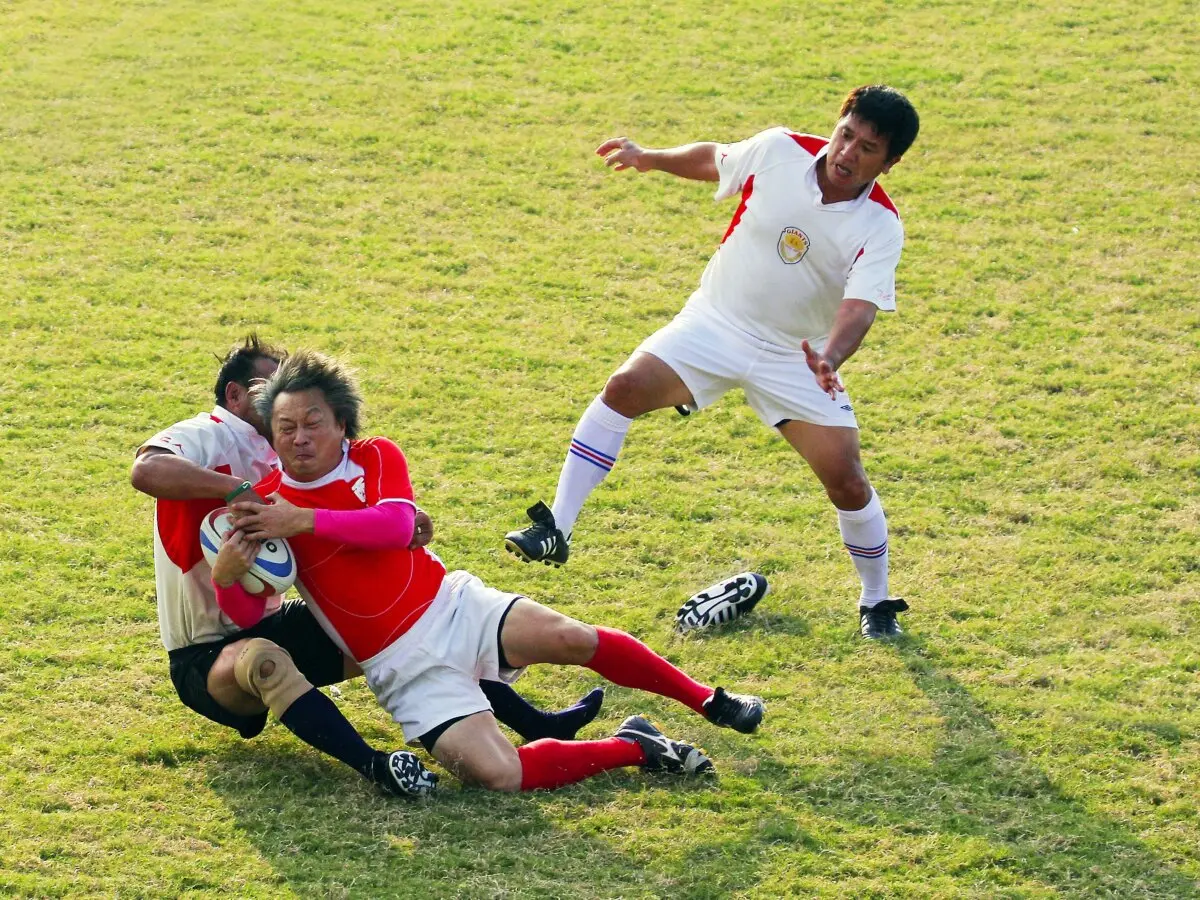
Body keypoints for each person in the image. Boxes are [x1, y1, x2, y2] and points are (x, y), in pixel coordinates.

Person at [217, 349, 766, 793]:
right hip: (400, 670)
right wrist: (227, 575)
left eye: (313, 422)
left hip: (452, 608)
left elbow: (393, 526)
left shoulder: (375, 457)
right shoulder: (265, 506)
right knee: (499, 774)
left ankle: (709, 701)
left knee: (571, 637)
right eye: (285, 427)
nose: (299, 437)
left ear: (341, 423)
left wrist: (305, 519)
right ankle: (637, 746)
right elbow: (248, 608)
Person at [503, 85, 919, 639]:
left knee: (845, 480)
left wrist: (829, 356)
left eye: (868, 149)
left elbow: (860, 307)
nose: (848, 153)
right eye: (846, 134)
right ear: (836, 124)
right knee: (624, 387)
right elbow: (716, 159)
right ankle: (557, 525)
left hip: (795, 356)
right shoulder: (779, 150)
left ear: (889, 163)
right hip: (716, 322)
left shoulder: (880, 226)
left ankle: (876, 601)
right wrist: (648, 156)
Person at [131, 335, 602, 798]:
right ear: (234, 395)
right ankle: (375, 766)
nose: (282, 398)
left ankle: (535, 723)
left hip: (267, 618)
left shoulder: (284, 445)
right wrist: (233, 489)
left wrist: (409, 520)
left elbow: (344, 500)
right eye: (265, 388)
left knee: (398, 632)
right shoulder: (206, 434)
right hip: (205, 654)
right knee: (263, 660)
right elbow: (145, 470)